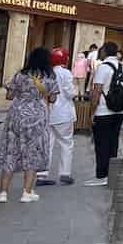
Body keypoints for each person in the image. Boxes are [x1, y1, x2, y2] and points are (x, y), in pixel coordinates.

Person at [0, 48, 57, 203]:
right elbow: (53, 98)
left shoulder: (20, 75)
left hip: (17, 115)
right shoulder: (49, 77)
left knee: (11, 151)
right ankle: (26, 192)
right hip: (37, 116)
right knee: (32, 153)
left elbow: (9, 95)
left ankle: (3, 193)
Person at [85, 41, 123, 186]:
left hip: (104, 111)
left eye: (102, 50)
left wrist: (92, 113)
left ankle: (101, 176)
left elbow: (97, 91)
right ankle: (111, 174)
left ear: (105, 51)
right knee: (113, 143)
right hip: (119, 111)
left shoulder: (103, 68)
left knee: (101, 144)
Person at [37, 48, 77, 186]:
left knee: (47, 144)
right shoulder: (66, 73)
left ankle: (41, 174)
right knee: (66, 143)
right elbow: (70, 93)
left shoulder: (45, 73)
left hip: (48, 112)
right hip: (63, 113)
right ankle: (65, 173)